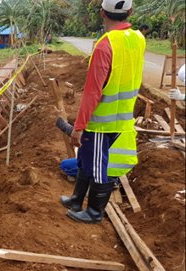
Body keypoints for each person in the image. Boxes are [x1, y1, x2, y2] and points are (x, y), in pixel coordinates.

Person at [62, 0, 145, 224]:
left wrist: (79, 127)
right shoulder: (138, 39)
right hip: (123, 115)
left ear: (102, 13)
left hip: (102, 121)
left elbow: (92, 92)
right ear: (130, 11)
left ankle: (94, 212)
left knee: (98, 167)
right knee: (87, 160)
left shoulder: (105, 45)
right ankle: (76, 200)